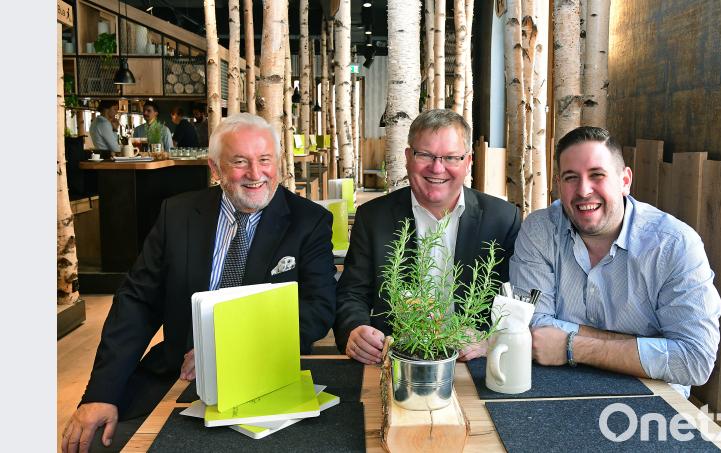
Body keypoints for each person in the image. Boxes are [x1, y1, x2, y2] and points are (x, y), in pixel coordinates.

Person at [61, 113, 337, 452]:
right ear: (215, 168)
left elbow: (317, 310)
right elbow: (136, 303)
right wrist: (101, 394)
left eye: (265, 160)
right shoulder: (177, 214)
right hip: (175, 375)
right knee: (96, 444)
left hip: (266, 380)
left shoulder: (309, 222)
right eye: (240, 162)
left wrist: (222, 351)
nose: (256, 174)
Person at [509, 126, 721, 397]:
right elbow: (533, 327)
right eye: (571, 177)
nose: (584, 190)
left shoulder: (674, 244)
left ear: (625, 180)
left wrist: (572, 346)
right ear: (559, 185)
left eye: (597, 175)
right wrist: (644, 348)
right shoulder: (540, 230)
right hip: (556, 389)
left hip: (651, 400)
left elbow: (695, 360)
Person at [335, 109, 521, 365]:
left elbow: (516, 301)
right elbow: (351, 293)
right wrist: (354, 329)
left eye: (451, 158)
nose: (437, 168)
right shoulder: (372, 217)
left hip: (475, 365)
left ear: (468, 162)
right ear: (408, 157)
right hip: (395, 361)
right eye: (425, 155)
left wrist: (490, 339)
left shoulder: (502, 219)